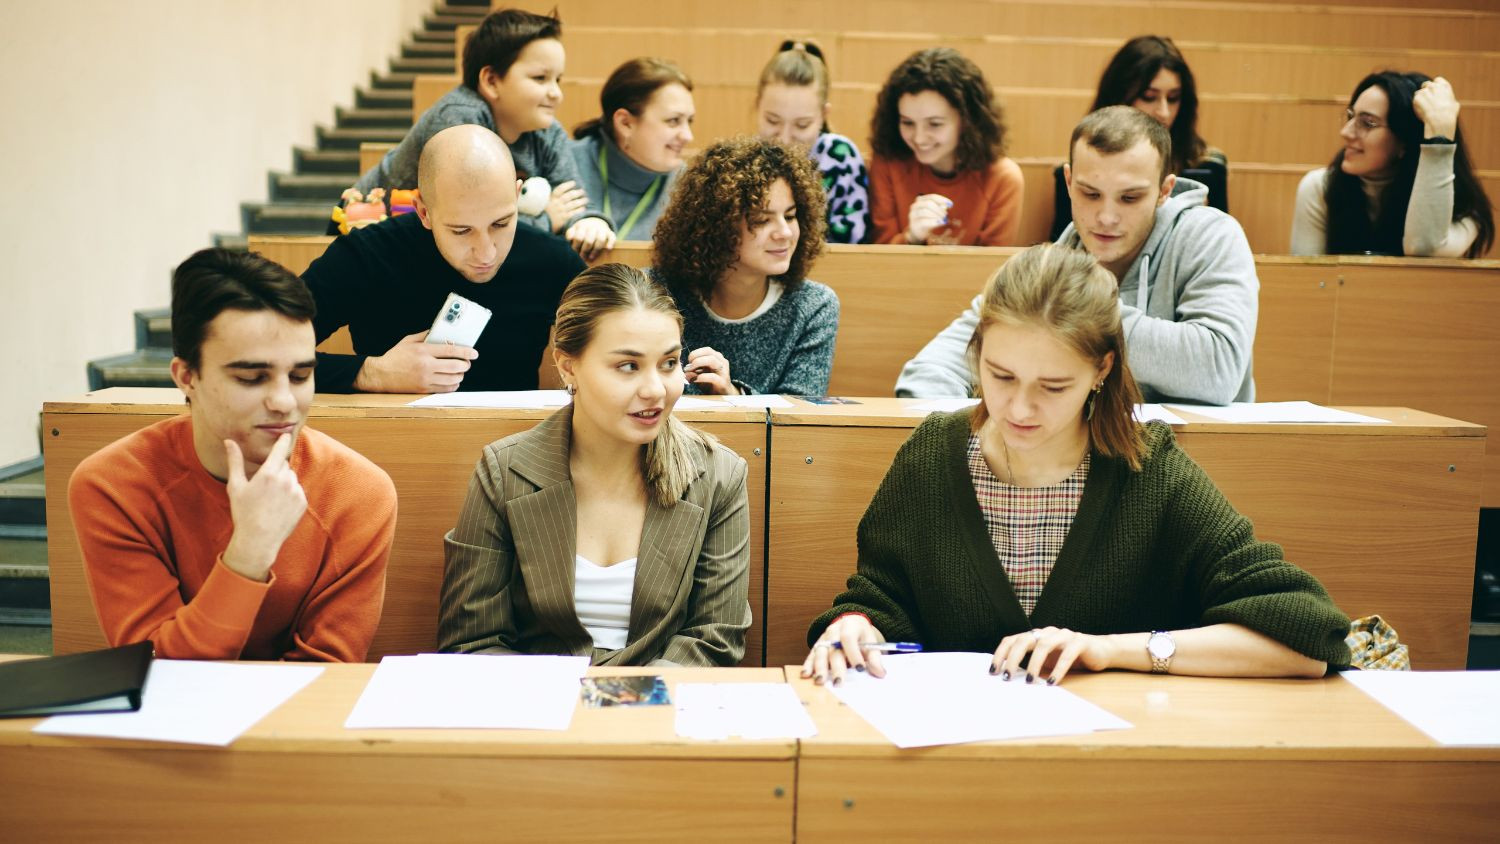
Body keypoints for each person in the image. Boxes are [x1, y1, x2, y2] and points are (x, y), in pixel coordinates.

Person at [802, 244, 1352, 687]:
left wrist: (1107, 651)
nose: (1019, 409)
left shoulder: (1150, 473)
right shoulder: (932, 455)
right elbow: (881, 599)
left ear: (1101, 370)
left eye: (1053, 386)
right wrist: (855, 625)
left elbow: (1307, 639)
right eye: (1000, 375)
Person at [68, 249, 396, 661]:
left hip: (298, 722)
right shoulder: (113, 484)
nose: (283, 401)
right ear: (187, 377)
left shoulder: (359, 492)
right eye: (252, 377)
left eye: (300, 375)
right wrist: (249, 553)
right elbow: (160, 673)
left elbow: (323, 673)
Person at [438, 263, 751, 666]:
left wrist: (620, 703)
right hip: (539, 715)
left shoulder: (719, 475)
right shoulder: (504, 470)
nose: (656, 389)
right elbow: (471, 640)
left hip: (660, 712)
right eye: (628, 366)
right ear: (568, 365)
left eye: (669, 363)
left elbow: (715, 639)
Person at [897, 106, 1257, 406]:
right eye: (1090, 194)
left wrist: (1079, 313)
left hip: (1199, 462)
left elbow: (1218, 371)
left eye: (1129, 198)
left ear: (1164, 190)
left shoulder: (1211, 237)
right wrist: (939, 427)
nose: (1106, 217)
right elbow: (937, 365)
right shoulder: (1051, 265)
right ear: (1069, 182)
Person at [304, 125, 585, 394]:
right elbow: (265, 352)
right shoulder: (365, 255)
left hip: (515, 437)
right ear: (424, 212)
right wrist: (372, 373)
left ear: (516, 195)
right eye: (462, 231)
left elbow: (617, 349)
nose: (486, 253)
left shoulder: (554, 260)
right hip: (390, 436)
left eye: (501, 224)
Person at [348, 8, 610, 246]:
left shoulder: (547, 130)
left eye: (558, 80)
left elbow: (573, 202)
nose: (556, 93)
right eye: (540, 78)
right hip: (366, 228)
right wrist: (546, 220)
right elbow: (473, 223)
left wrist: (589, 222)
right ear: (492, 80)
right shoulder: (459, 121)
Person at [651, 136, 839, 396]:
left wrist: (732, 396)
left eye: (790, 216)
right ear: (717, 226)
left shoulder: (814, 305)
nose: (784, 232)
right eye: (762, 220)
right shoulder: (654, 293)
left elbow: (799, 419)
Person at [1291, 72, 1494, 259]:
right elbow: (1308, 283)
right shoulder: (1320, 187)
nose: (1345, 132)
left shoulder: (1465, 209)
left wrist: (1439, 138)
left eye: (1367, 123)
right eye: (1351, 117)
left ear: (1405, 141)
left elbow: (1423, 249)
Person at [1050, 35, 1228, 240]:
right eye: (1149, 97)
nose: (1164, 112)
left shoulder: (1208, 165)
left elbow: (1218, 240)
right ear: (1120, 96)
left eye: (1173, 98)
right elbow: (1066, 248)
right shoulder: (1082, 170)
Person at [867, 47, 1024, 246]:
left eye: (935, 124)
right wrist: (911, 238)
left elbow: (993, 267)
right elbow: (876, 257)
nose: (919, 138)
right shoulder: (888, 162)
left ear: (967, 121)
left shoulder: (1003, 178)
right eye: (907, 123)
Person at [568, 57, 695, 259]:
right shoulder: (564, 164)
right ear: (625, 123)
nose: (688, 136)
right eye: (673, 121)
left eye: (689, 121)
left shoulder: (688, 186)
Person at [755, 40, 871, 244]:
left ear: (824, 115)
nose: (783, 138)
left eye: (802, 125)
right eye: (773, 121)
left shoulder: (839, 156)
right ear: (758, 105)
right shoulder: (744, 160)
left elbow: (851, 243)